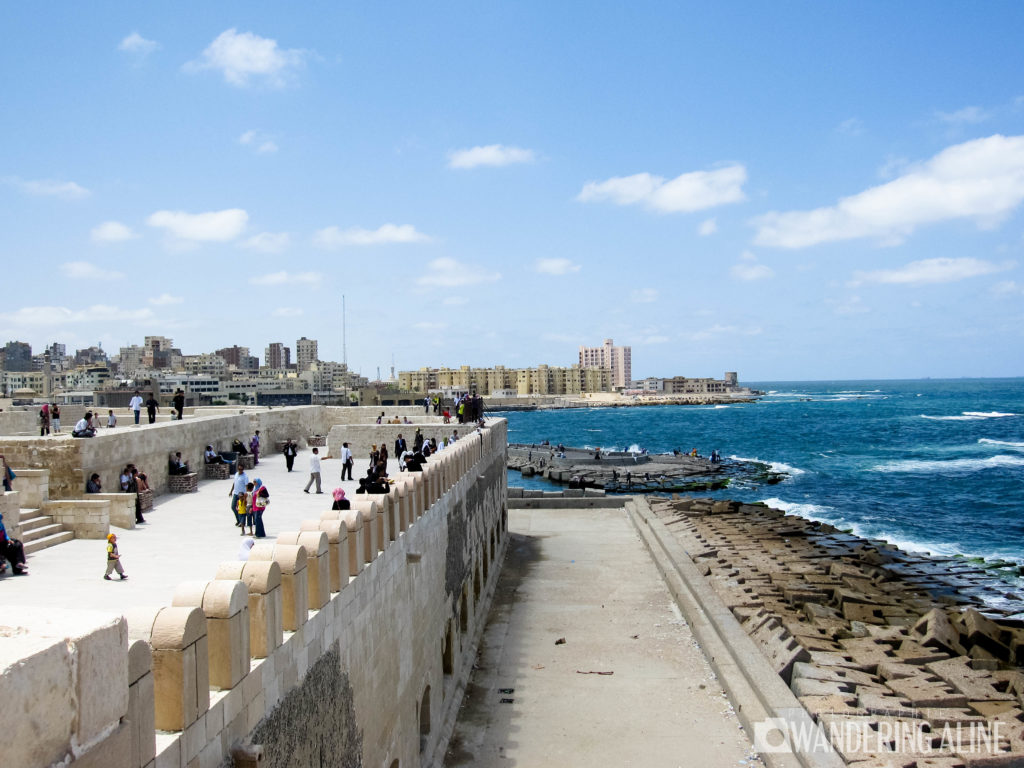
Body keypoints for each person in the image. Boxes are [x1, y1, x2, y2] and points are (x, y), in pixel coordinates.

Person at [0, 511, 28, 575]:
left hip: (3, 543)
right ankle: (1, 564)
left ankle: (19, 564)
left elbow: (5, 535)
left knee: (17, 544)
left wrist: (8, 539)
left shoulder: (1, 525)